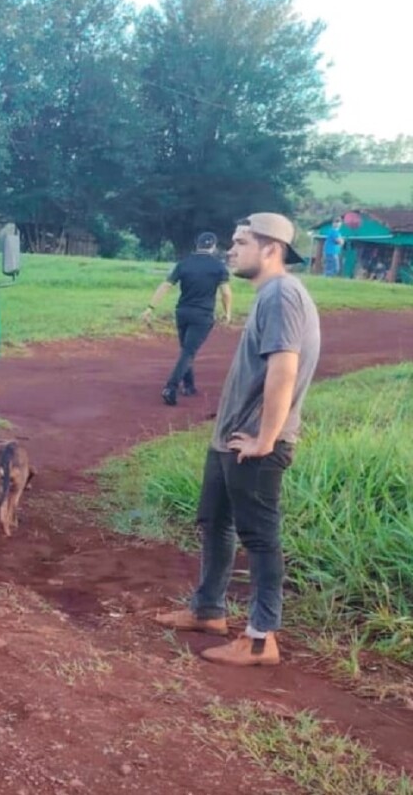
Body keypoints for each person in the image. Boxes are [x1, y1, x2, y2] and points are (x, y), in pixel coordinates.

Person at [153, 213, 320, 667]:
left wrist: (266, 439)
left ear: (271, 249)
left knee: (259, 537)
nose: (231, 249)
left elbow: (284, 367)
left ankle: (261, 639)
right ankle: (208, 611)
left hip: (255, 440)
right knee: (215, 521)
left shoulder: (282, 294)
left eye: (242, 242)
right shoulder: (270, 295)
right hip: (231, 437)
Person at [142, 231, 233, 405]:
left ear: (196, 244)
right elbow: (226, 293)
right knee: (188, 352)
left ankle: (189, 386)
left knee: (186, 349)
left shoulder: (184, 264)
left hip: (182, 312)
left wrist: (150, 307)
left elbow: (165, 286)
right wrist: (227, 312)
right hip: (203, 315)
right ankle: (171, 387)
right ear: (213, 247)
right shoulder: (218, 267)